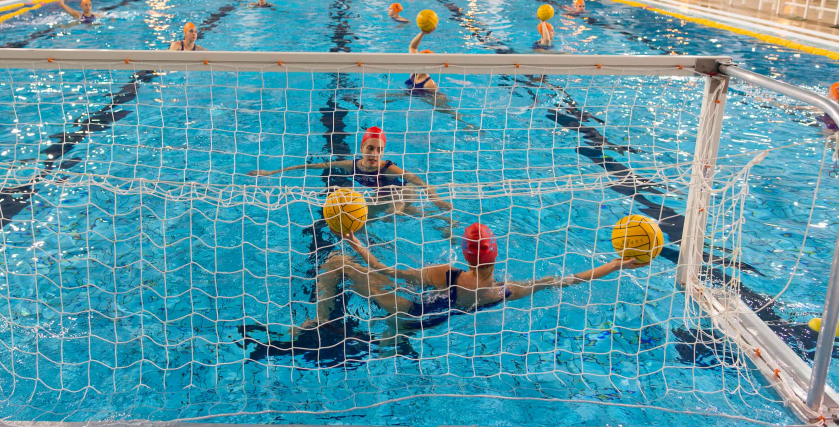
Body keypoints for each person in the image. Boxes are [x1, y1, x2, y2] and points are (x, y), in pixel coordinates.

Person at [302, 223, 647, 338]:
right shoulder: (504, 291)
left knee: (337, 262)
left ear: (465, 255)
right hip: (431, 324)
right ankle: (393, 339)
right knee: (394, 334)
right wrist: (616, 265)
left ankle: (317, 319)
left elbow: (383, 270)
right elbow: (568, 279)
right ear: (496, 255)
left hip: (403, 308)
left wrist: (358, 245)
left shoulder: (447, 274)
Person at [248, 126, 452, 219]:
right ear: (362, 148)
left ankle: (435, 214)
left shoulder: (387, 168)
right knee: (363, 218)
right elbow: (314, 167)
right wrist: (271, 172)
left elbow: (414, 180)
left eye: (379, 150)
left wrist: (436, 199)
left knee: (393, 212)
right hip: (382, 195)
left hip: (403, 193)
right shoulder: (352, 165)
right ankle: (440, 221)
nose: (374, 154)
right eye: (370, 148)